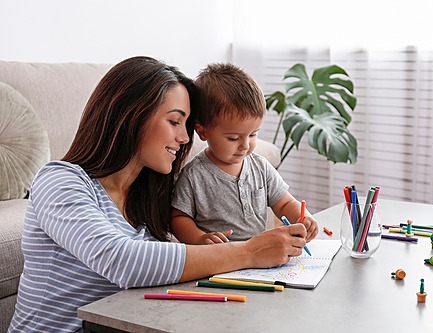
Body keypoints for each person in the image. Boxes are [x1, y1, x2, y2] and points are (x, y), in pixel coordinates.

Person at [8, 56, 307, 333]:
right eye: (175, 122)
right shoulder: (59, 180)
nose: (185, 138)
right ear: (131, 116)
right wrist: (249, 251)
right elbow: (121, 261)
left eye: (187, 125)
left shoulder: (147, 196)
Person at [170, 63, 319, 245]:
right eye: (233, 138)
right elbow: (178, 218)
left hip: (260, 256)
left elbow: (285, 203)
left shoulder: (261, 167)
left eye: (253, 134)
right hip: (217, 259)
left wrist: (303, 218)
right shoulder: (194, 175)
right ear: (202, 132)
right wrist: (200, 238)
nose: (245, 145)